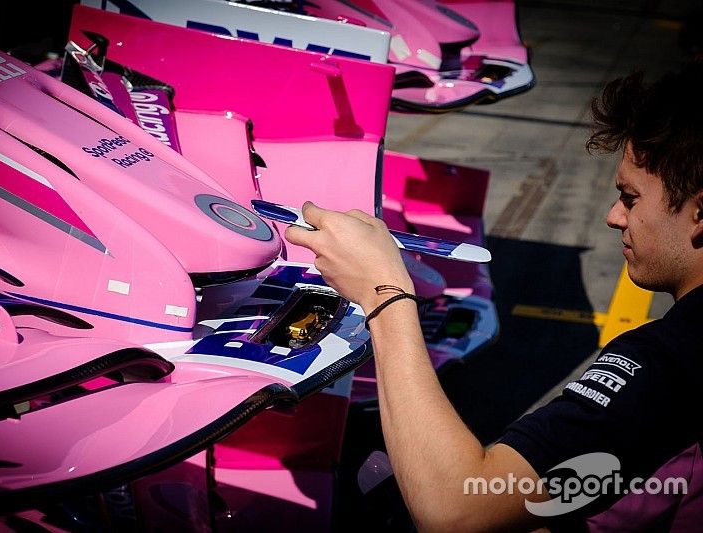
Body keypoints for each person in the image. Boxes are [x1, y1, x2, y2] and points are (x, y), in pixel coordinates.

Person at [286, 62, 703, 531]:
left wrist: (384, 293)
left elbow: (457, 509)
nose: (613, 216)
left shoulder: (671, 361)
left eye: (630, 198)